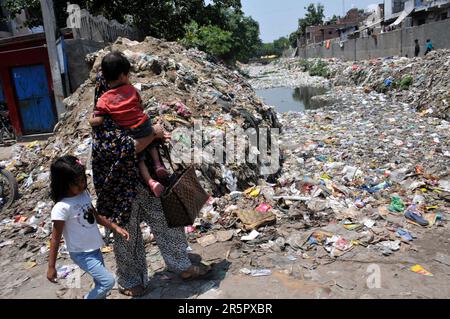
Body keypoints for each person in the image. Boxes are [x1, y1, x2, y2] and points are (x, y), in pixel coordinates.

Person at [91, 70, 211, 297]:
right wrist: (153, 134)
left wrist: (153, 136)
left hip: (146, 182)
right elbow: (126, 150)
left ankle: (182, 266)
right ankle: (130, 281)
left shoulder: (129, 110)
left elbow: (141, 135)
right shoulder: (103, 125)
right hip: (120, 189)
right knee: (127, 234)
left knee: (167, 220)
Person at [47, 155, 130, 299]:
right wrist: (51, 267)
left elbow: (96, 217)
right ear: (64, 183)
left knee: (100, 286)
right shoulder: (61, 208)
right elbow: (55, 239)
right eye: (76, 183)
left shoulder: (83, 195)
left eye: (83, 180)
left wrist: (115, 227)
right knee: (108, 282)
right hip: (81, 253)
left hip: (95, 248)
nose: (81, 185)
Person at [89, 51, 170, 197]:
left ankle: (152, 179)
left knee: (141, 160)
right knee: (148, 145)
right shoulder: (130, 91)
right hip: (126, 190)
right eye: (128, 75)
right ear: (121, 76)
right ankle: (156, 169)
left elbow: (98, 120)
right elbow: (129, 148)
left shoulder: (104, 101)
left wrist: (91, 119)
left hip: (129, 187)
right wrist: (152, 134)